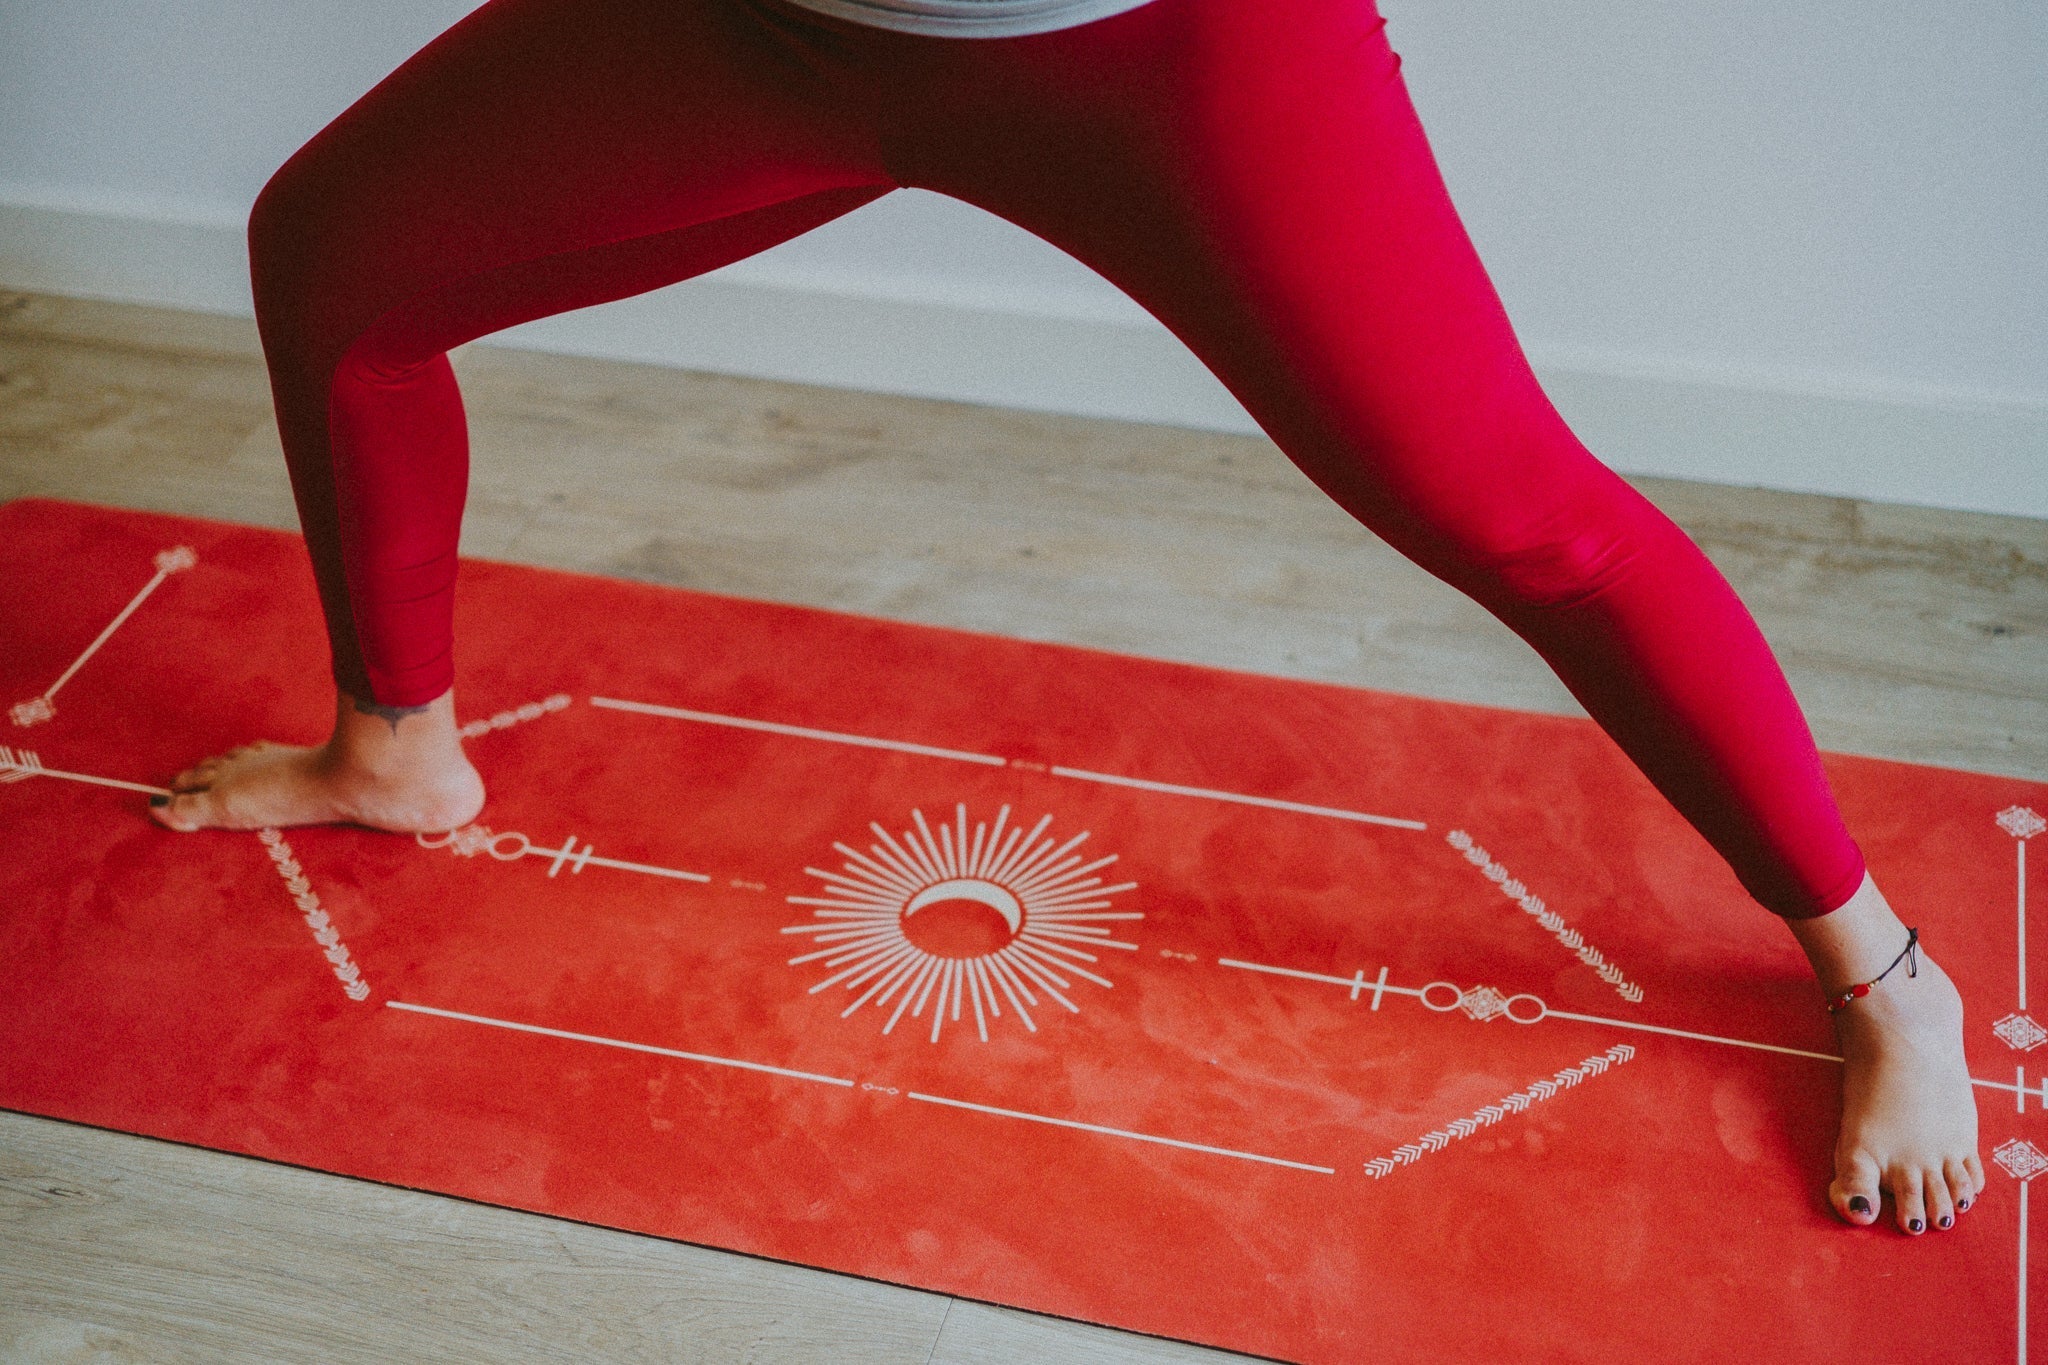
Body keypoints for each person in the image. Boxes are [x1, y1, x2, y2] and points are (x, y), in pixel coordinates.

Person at [146, 0, 1980, 1234]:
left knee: (1525, 519)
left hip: (1166, 46)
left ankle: (1888, 973)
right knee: (336, 255)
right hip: (760, 29)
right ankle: (397, 746)